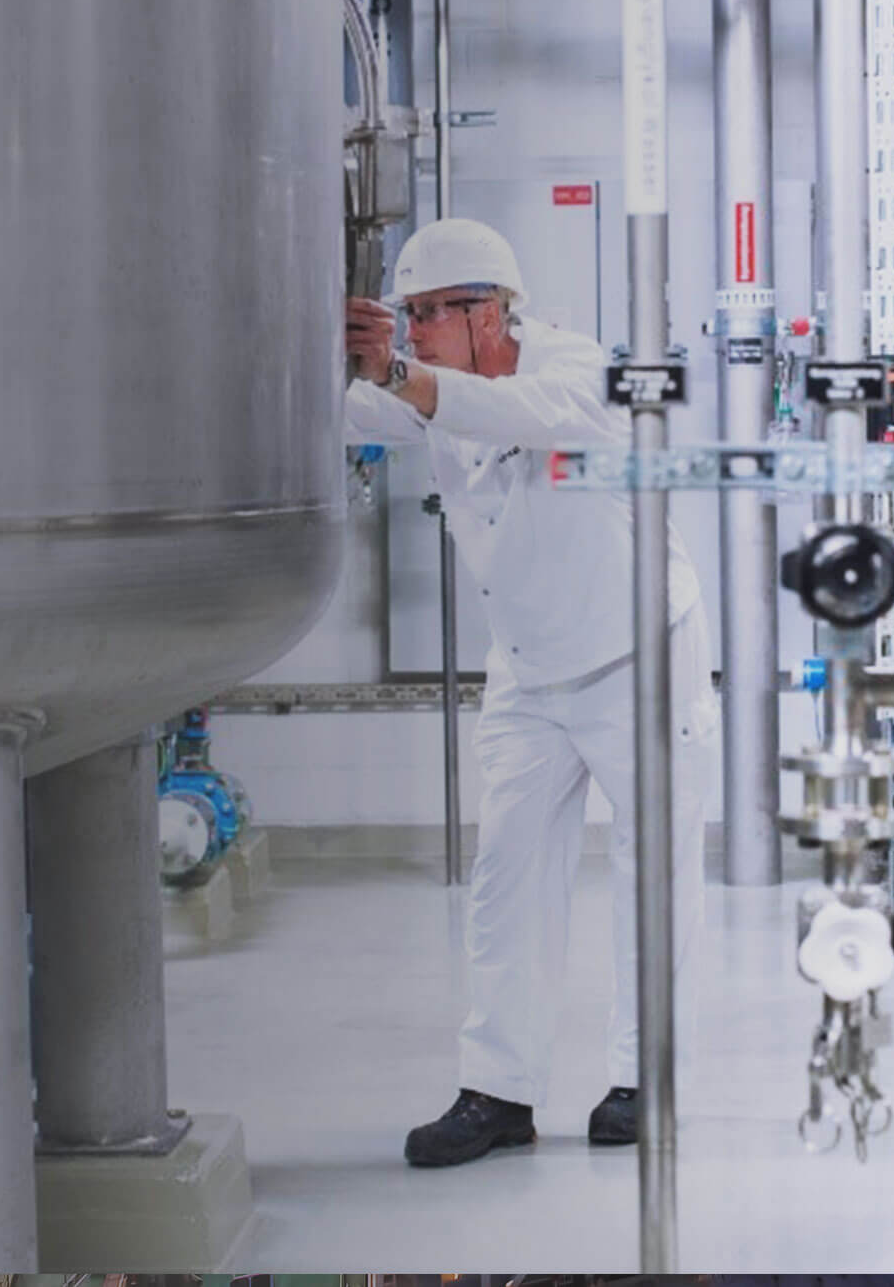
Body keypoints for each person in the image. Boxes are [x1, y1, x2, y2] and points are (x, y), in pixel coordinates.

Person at [341, 217, 711, 1168]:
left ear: (488, 313)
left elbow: (502, 414)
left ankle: (649, 1080)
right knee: (506, 881)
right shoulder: (430, 385)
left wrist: (394, 377)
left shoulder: (574, 371)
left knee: (652, 874)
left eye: (426, 315)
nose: (414, 331)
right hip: (530, 670)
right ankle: (499, 1092)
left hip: (639, 658)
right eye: (407, 317)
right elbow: (360, 406)